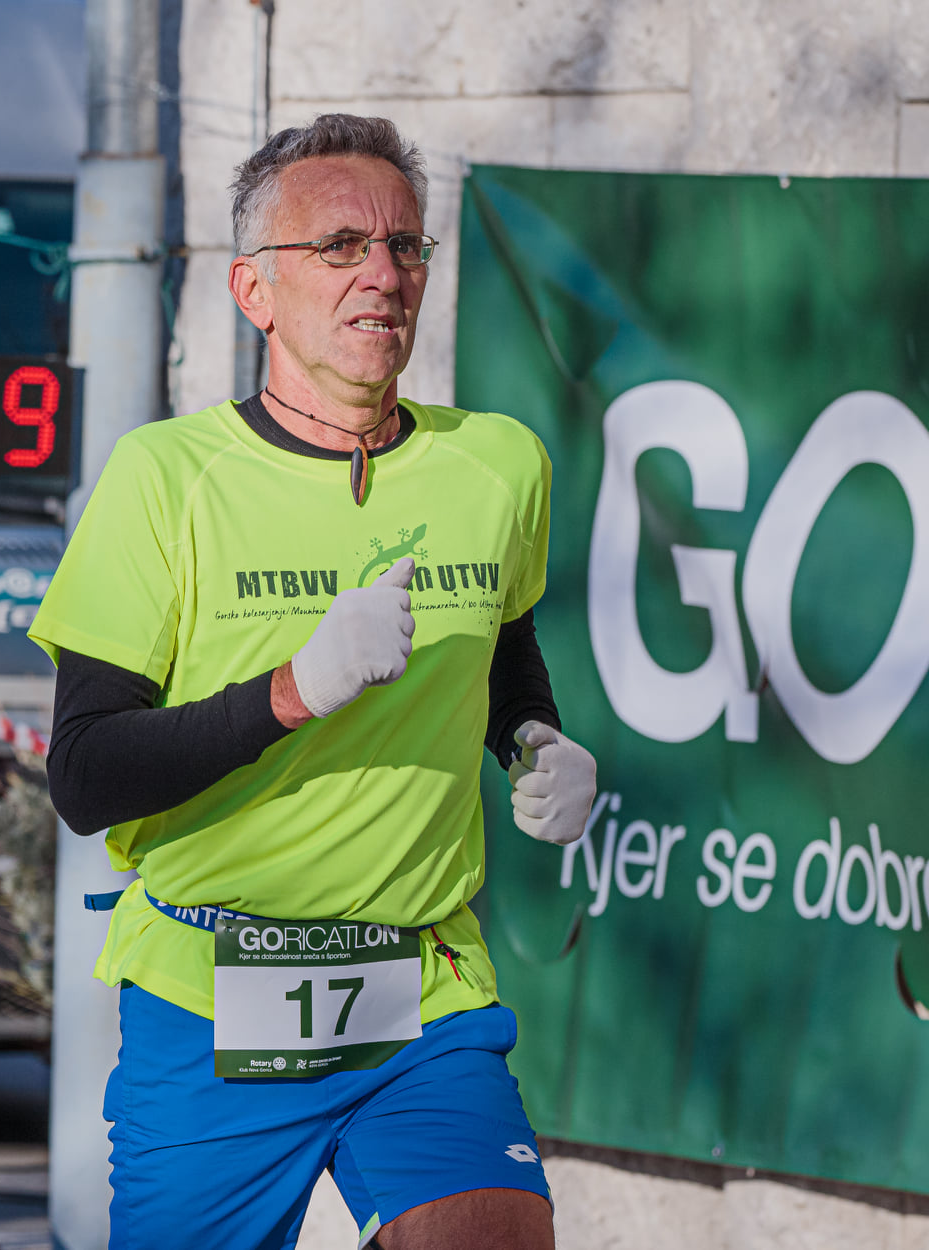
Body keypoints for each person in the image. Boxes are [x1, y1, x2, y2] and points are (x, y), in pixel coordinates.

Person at [29, 113, 597, 1250]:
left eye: (405, 245)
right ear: (255, 288)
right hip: (213, 995)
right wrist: (292, 690)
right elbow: (87, 775)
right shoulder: (165, 478)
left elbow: (501, 637)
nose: (382, 273)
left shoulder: (496, 464)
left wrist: (534, 735)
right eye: (339, 245)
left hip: (421, 986)